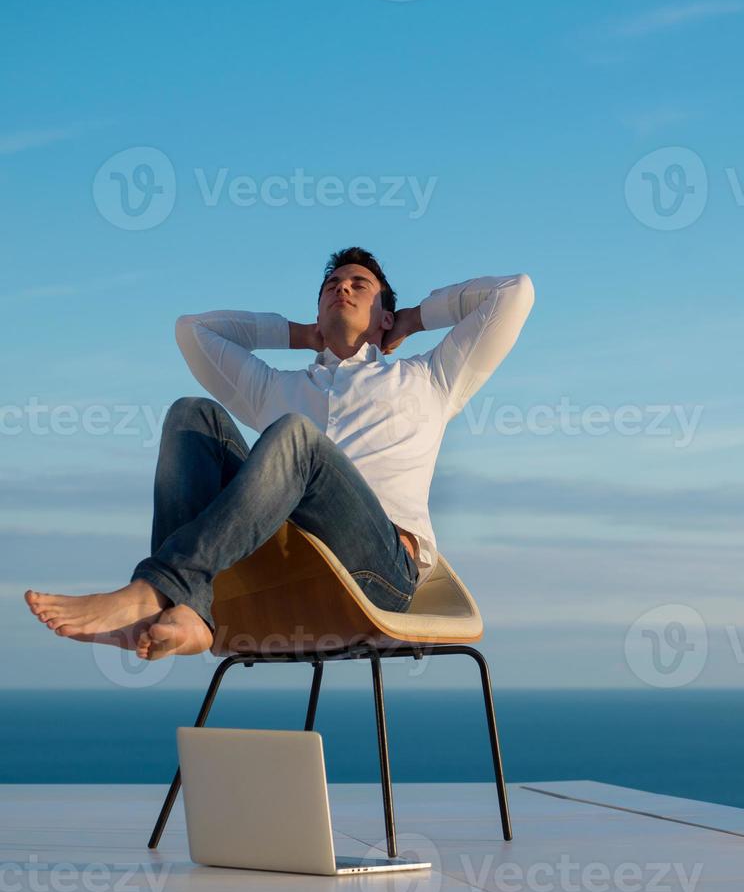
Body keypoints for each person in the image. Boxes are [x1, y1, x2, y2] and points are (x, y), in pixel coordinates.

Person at [24, 247, 534, 661]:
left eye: (360, 286)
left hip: (378, 571)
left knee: (298, 437)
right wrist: (298, 334)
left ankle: (156, 590)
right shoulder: (277, 387)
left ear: (383, 317)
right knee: (191, 413)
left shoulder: (429, 377)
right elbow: (193, 330)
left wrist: (414, 319)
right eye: (332, 286)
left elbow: (514, 294)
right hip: (285, 562)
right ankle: (188, 608)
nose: (343, 288)